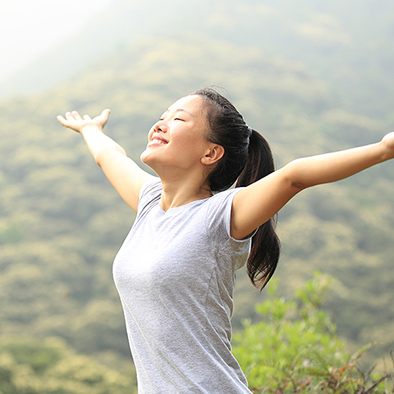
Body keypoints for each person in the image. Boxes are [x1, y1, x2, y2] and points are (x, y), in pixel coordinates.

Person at [57, 88, 394, 393]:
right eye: (161, 118)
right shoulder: (148, 202)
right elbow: (109, 156)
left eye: (178, 119)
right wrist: (90, 130)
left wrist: (384, 149)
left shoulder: (221, 215)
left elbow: (294, 177)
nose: (160, 125)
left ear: (210, 153)